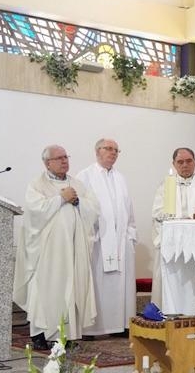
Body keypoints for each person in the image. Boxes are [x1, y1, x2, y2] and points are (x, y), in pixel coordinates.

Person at [13, 145, 100, 350]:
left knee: (70, 290)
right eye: (59, 158)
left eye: (66, 157)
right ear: (47, 163)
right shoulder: (37, 184)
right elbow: (34, 212)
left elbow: (94, 208)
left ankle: (67, 336)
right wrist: (61, 198)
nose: (64, 161)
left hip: (72, 248)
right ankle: (40, 335)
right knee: (45, 290)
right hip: (48, 252)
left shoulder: (76, 183)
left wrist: (77, 200)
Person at [76, 139, 136, 338]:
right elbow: (81, 210)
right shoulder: (84, 176)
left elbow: (129, 210)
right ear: (97, 151)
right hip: (97, 243)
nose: (113, 153)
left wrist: (130, 235)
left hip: (120, 243)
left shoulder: (121, 177)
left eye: (116, 150)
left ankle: (119, 326)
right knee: (97, 285)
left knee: (120, 286)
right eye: (108, 149)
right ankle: (91, 328)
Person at [150, 147, 195, 314]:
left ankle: (194, 311)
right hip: (172, 242)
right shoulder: (165, 185)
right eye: (180, 162)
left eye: (189, 161)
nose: (185, 165)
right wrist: (177, 220)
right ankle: (168, 311)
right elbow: (157, 212)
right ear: (174, 164)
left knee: (192, 280)